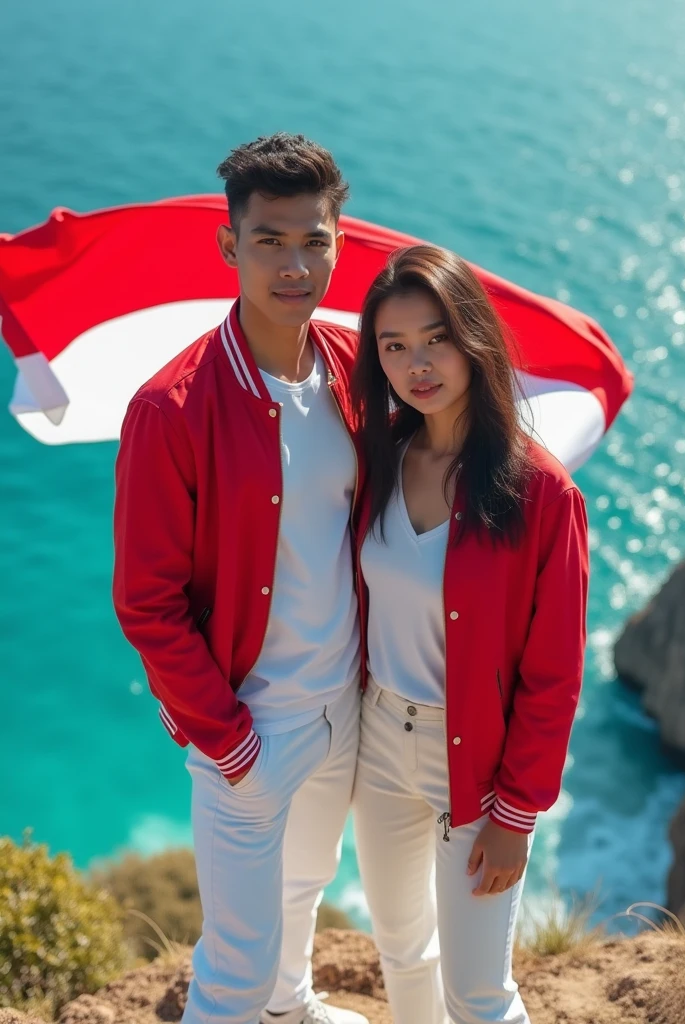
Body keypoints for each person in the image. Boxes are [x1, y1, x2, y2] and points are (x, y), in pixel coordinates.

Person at [113, 133, 368, 1024]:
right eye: (270, 240)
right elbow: (146, 602)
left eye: (315, 240)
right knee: (233, 968)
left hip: (344, 702)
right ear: (230, 246)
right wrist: (227, 744)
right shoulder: (169, 408)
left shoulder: (350, 371)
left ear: (342, 242)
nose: (295, 265)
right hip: (253, 724)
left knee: (305, 891)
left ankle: (293, 1010)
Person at [350, 245, 589, 1024]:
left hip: (478, 766)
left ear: (472, 338)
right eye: (394, 345)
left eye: (436, 337)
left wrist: (517, 817)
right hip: (379, 740)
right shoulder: (377, 456)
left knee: (480, 991)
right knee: (400, 946)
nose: (418, 363)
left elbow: (554, 674)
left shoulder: (541, 491)